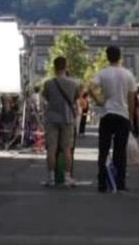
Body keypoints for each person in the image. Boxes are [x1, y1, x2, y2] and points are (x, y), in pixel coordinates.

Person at [90, 46, 136, 193]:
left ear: (107, 57)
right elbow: (131, 98)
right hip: (122, 114)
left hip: (107, 113)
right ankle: (119, 182)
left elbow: (90, 88)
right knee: (120, 150)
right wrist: (131, 116)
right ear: (119, 57)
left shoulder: (102, 73)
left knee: (103, 149)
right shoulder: (128, 75)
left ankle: (102, 182)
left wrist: (99, 101)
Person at [41, 56, 80, 187]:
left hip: (52, 118)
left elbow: (46, 98)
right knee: (67, 149)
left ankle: (51, 178)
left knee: (51, 149)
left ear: (54, 67)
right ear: (65, 66)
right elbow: (75, 99)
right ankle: (67, 177)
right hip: (67, 118)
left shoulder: (48, 83)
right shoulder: (73, 83)